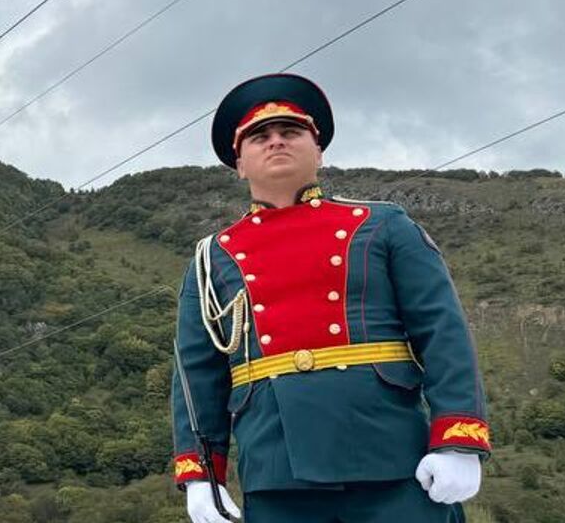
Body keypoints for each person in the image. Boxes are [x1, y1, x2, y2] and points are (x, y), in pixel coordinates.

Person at [170, 73, 490, 523]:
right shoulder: (211, 258)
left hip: (393, 460)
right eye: (260, 136)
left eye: (291, 131)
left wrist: (458, 439)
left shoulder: (383, 225)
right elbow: (196, 377)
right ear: (238, 162)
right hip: (276, 470)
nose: (276, 141)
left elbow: (442, 333)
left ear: (318, 151)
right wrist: (202, 473)